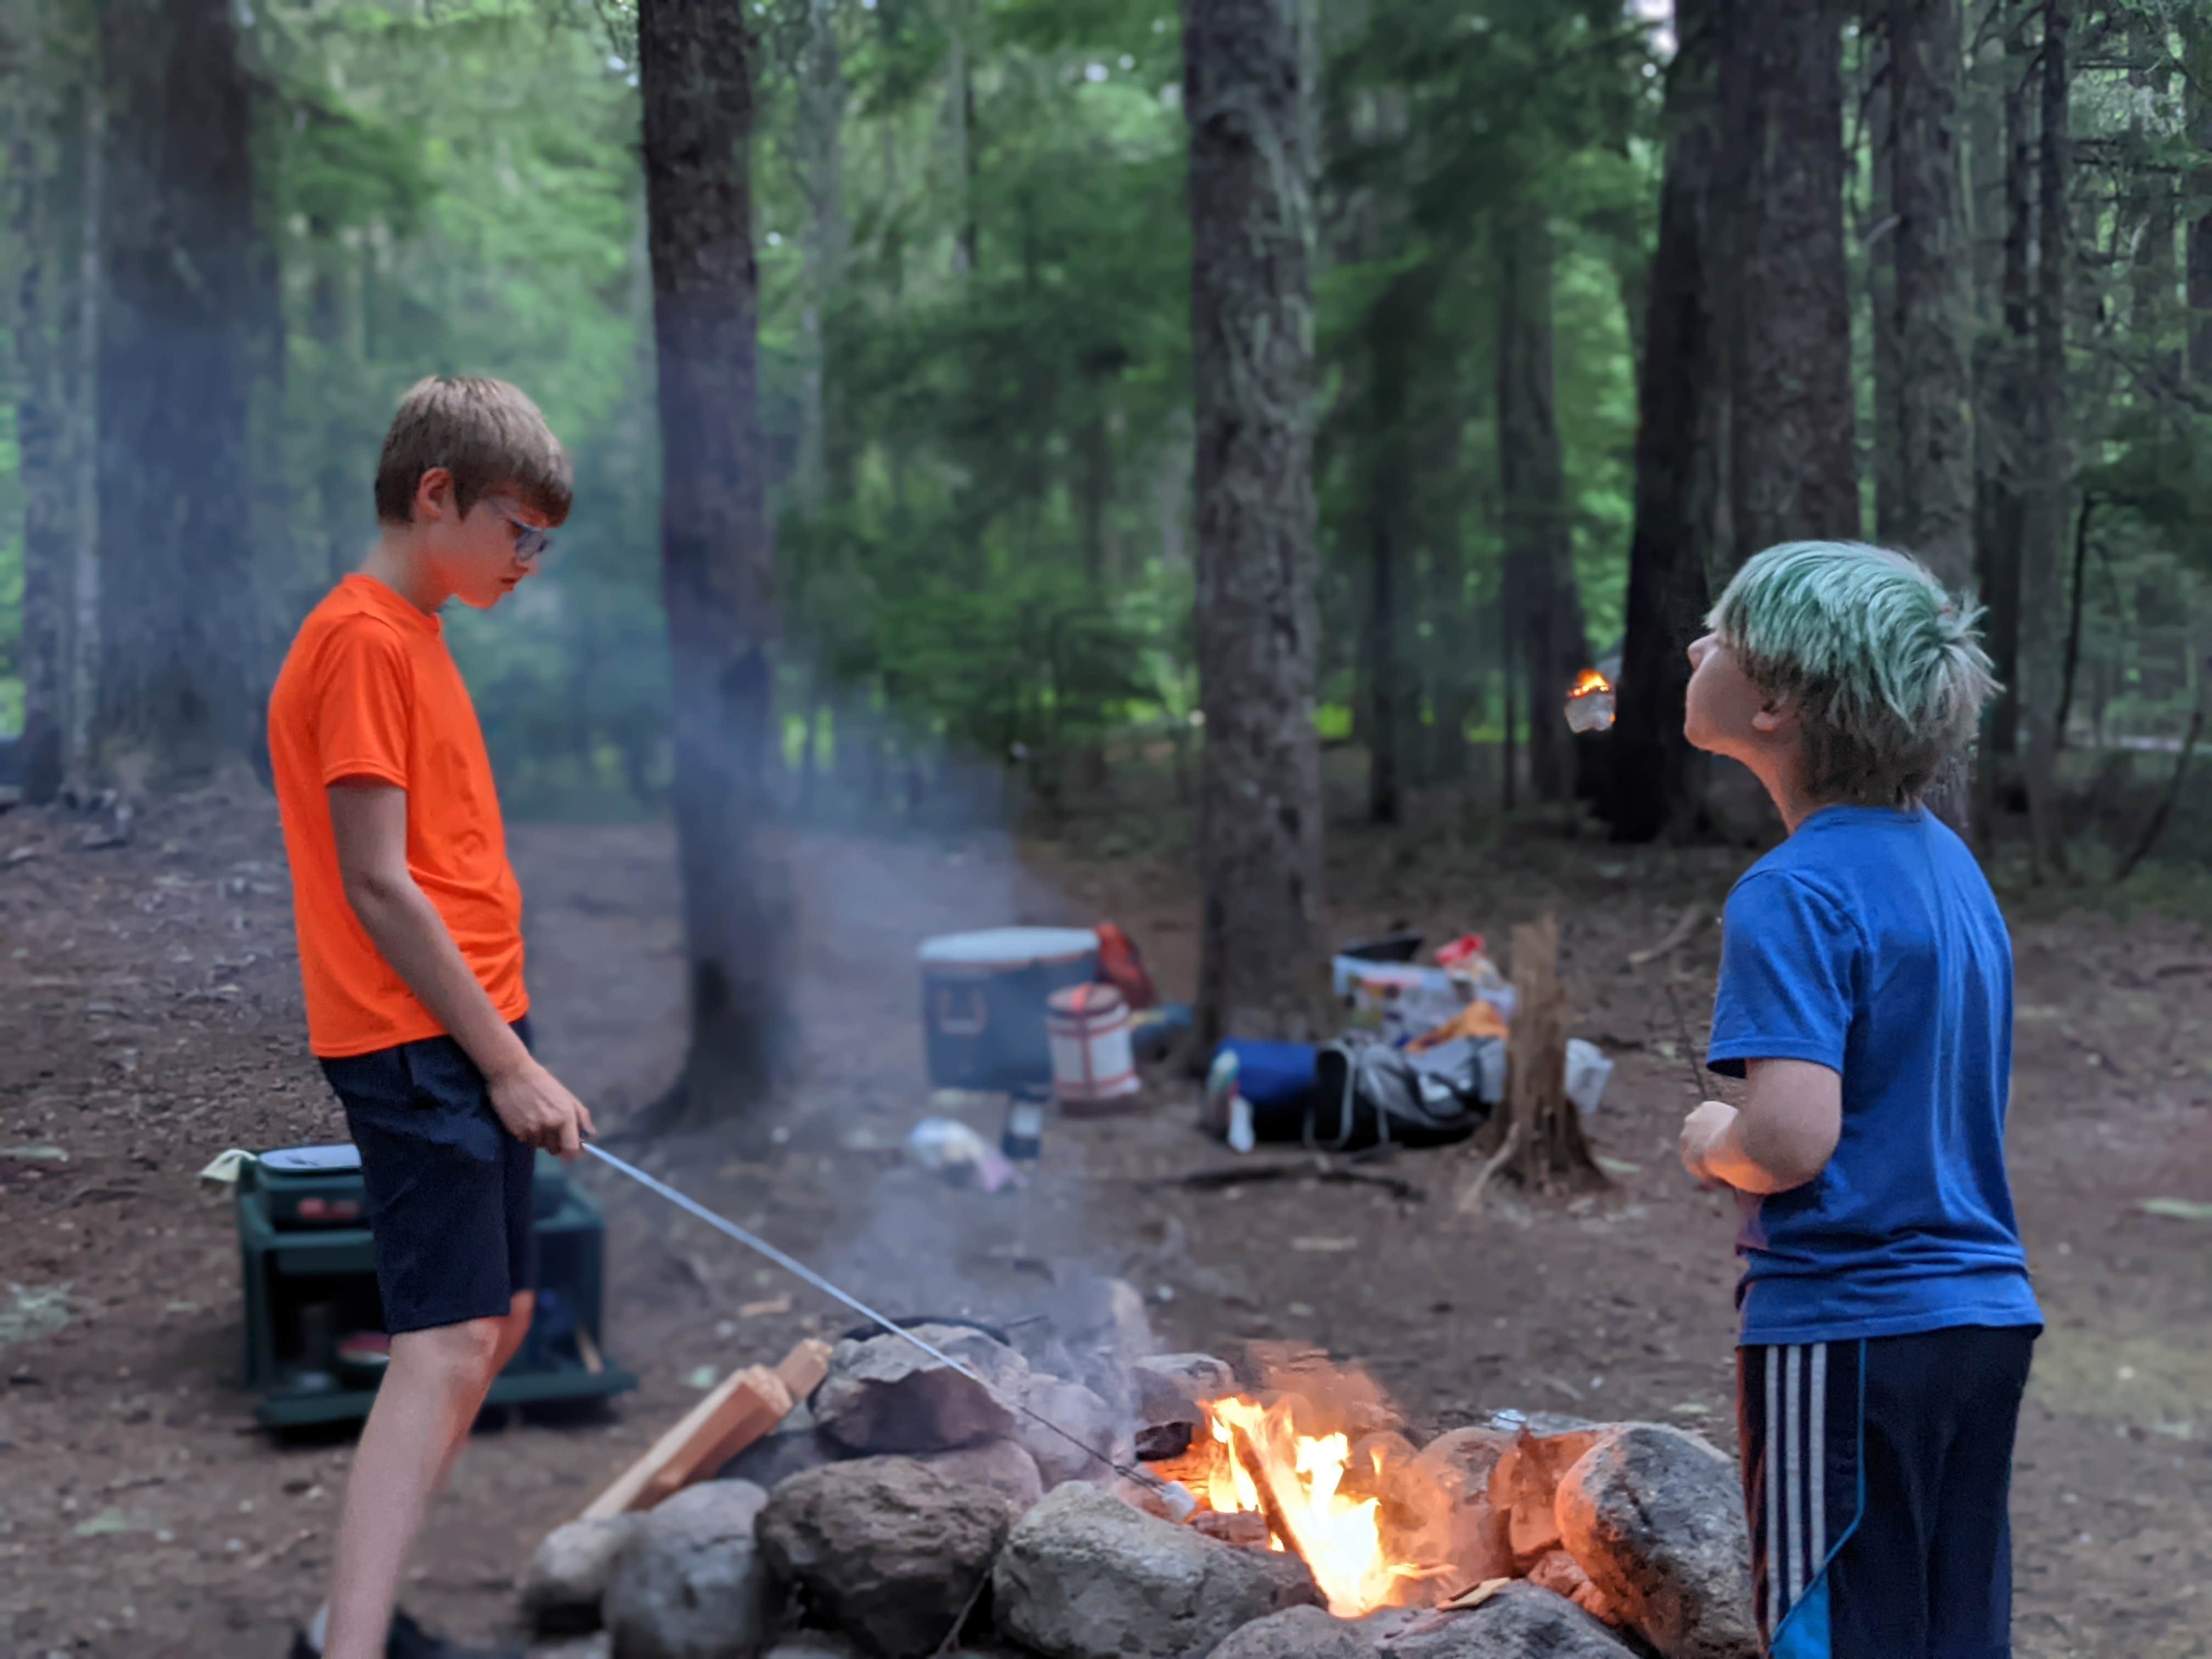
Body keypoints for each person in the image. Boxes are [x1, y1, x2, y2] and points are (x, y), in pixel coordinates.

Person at [266, 376, 596, 1659]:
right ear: (436, 494)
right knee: (450, 1338)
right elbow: (376, 882)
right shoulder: (358, 638)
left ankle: (347, 1618)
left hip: (472, 1028)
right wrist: (506, 1065)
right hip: (417, 1041)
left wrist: (510, 1042)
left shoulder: (417, 631)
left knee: (495, 1321)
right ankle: (349, 1650)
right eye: (520, 530)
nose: (530, 559)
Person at [1676, 540, 2042, 1659]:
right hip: (1982, 1318)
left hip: (1845, 1327)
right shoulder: (1950, 867)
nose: (1696, 647)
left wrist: (1710, 1141)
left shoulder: (1791, 891)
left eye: (1722, 636)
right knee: (1947, 1625)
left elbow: (1789, 1138)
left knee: (1836, 1628)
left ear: (1777, 702)